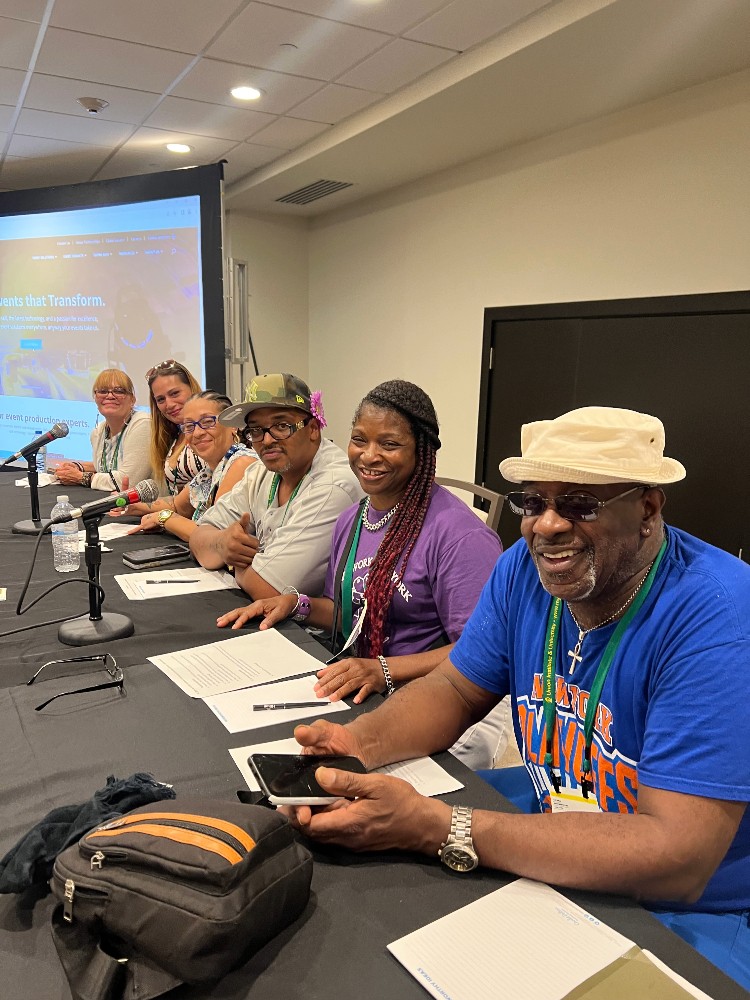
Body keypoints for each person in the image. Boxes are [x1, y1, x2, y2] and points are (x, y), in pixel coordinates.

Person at [279, 406, 750, 991]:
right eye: (532, 502)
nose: (546, 526)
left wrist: (441, 828)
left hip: (697, 905)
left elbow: (679, 857)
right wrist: (358, 742)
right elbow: (454, 688)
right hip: (558, 821)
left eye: (579, 504)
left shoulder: (718, 620)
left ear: (648, 510)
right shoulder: (520, 572)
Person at [217, 379, 506, 766]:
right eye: (359, 440)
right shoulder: (354, 519)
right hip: (369, 688)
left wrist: (384, 669)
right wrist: (296, 605)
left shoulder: (460, 536)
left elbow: (480, 654)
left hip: (445, 710)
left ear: (422, 452)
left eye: (389, 444)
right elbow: (348, 613)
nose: (368, 456)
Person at [190, 373, 362, 600]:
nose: (267, 440)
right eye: (256, 430)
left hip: (313, 632)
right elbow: (198, 537)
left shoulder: (333, 486)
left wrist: (232, 562)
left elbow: (268, 589)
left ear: (313, 428)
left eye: (281, 425)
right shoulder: (260, 472)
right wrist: (222, 544)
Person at [125, 391, 257, 542]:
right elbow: (176, 506)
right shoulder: (210, 470)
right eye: (189, 426)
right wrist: (131, 505)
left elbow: (213, 536)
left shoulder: (243, 462)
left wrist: (164, 518)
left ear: (233, 425)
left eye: (207, 422)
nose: (197, 433)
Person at [55, 369, 151, 491]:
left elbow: (127, 481)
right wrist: (79, 466)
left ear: (132, 399)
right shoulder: (98, 432)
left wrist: (81, 477)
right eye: (103, 391)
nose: (110, 396)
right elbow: (111, 467)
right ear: (95, 398)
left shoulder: (143, 424)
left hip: (146, 507)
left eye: (119, 391)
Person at [146, 359, 204, 496]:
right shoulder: (175, 435)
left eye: (174, 393)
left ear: (192, 388)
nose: (169, 404)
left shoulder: (211, 431)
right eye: (160, 399)